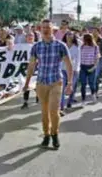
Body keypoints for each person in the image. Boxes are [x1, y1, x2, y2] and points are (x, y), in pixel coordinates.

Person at [23, 19, 73, 150]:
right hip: (41, 83)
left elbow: (68, 64)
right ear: (40, 29)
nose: (45, 29)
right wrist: (27, 83)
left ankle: (54, 134)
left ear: (53, 30)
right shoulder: (36, 47)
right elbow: (31, 66)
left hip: (56, 82)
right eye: (43, 27)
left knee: (53, 111)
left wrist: (70, 82)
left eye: (48, 27)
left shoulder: (61, 45)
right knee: (44, 112)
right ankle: (46, 135)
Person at [60, 31, 80, 115]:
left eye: (71, 35)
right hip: (62, 69)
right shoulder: (62, 46)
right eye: (67, 34)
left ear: (73, 37)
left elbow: (78, 60)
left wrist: (76, 70)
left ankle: (69, 102)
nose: (69, 36)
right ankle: (61, 107)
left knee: (71, 87)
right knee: (62, 88)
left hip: (73, 70)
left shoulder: (76, 48)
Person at [80, 33, 99, 106]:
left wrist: (94, 67)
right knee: (83, 84)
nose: (83, 40)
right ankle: (83, 100)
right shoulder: (81, 47)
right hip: (83, 67)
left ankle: (93, 95)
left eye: (84, 38)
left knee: (92, 83)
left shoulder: (95, 47)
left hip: (91, 67)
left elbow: (97, 58)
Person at [21, 32, 39, 109]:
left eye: (32, 35)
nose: (30, 37)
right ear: (26, 38)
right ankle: (25, 102)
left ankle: (38, 97)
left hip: (36, 67)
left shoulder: (37, 45)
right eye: (28, 35)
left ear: (34, 37)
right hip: (26, 68)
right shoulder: (21, 46)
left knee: (36, 84)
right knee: (27, 84)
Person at [92, 28, 102, 96]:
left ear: (98, 32)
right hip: (90, 61)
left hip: (99, 60)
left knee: (96, 76)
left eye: (95, 31)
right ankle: (93, 90)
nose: (94, 33)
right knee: (92, 76)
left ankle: (95, 91)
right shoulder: (90, 39)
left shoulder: (101, 41)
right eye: (93, 31)